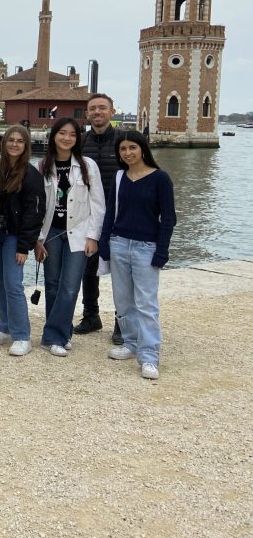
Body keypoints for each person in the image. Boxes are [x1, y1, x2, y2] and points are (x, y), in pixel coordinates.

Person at [99, 131, 176, 380]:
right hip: (119, 243)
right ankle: (131, 343)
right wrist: (105, 242)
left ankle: (149, 355)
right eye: (123, 149)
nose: (128, 153)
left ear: (143, 149)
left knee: (146, 304)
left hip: (146, 247)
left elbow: (168, 218)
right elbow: (110, 213)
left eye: (133, 147)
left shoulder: (160, 179)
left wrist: (162, 250)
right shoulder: (121, 177)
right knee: (123, 300)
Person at [34, 118, 105, 357]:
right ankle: (60, 333)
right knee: (52, 284)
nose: (67, 138)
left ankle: (53, 335)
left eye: (72, 134)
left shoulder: (87, 166)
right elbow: (36, 206)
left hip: (79, 232)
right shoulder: (42, 166)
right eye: (62, 133)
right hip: (51, 233)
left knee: (70, 286)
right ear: (54, 136)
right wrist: (37, 238)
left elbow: (98, 204)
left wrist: (93, 236)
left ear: (77, 139)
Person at [0, 125, 45, 356]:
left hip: (15, 236)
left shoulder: (31, 175)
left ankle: (22, 335)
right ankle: (5, 326)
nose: (14, 144)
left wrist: (24, 246)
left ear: (26, 146)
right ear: (4, 143)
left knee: (13, 284)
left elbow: (34, 212)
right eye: (11, 140)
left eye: (20, 141)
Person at [75, 93, 124, 343]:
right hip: (90, 215)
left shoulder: (125, 140)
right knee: (88, 268)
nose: (97, 112)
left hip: (120, 215)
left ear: (112, 111)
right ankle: (91, 315)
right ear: (87, 114)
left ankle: (122, 321)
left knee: (120, 271)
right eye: (92, 109)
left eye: (102, 108)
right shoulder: (81, 142)